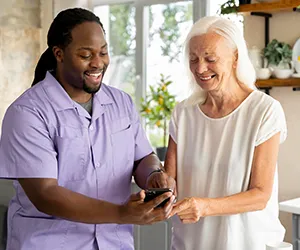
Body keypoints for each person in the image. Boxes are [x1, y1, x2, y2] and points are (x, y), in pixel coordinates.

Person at [0, 8, 176, 250]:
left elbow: (142, 157)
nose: (98, 63)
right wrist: (122, 213)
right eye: (86, 55)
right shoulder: (27, 113)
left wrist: (154, 174)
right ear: (59, 54)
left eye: (103, 52)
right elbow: (45, 195)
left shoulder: (121, 103)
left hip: (115, 244)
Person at [165, 16, 287, 250]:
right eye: (193, 59)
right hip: (190, 243)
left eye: (210, 59)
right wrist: (158, 191)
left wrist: (203, 206)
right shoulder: (183, 113)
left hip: (246, 243)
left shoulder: (263, 111)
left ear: (235, 58)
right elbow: (170, 179)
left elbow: (260, 195)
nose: (200, 68)